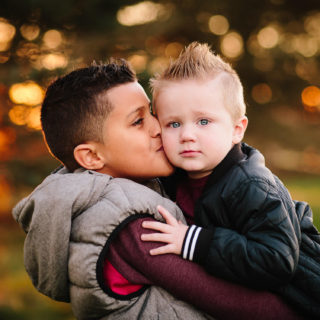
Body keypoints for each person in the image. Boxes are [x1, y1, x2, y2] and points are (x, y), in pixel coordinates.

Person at [12, 59, 302, 320]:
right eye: (138, 121)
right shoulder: (133, 227)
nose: (159, 128)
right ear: (91, 158)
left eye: (152, 113)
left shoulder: (139, 187)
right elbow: (248, 307)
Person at [141, 42, 320, 318]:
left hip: (300, 300)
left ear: (237, 130)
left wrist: (194, 242)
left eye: (203, 121)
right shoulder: (173, 175)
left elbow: (276, 262)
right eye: (173, 124)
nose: (187, 135)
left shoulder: (251, 185)